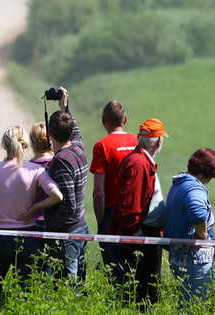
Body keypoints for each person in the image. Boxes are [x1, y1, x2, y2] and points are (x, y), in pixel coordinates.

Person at [0, 125, 63, 304]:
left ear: (4, 146)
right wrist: (35, 207)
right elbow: (57, 195)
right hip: (28, 238)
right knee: (27, 294)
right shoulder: (35, 170)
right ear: (25, 145)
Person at [109, 118, 168, 307]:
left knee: (143, 289)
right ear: (159, 142)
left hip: (143, 234)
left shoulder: (139, 159)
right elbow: (130, 206)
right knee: (144, 293)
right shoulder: (139, 164)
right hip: (141, 237)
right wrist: (137, 235)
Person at [164, 148, 215, 306]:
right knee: (194, 305)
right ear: (209, 173)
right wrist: (202, 235)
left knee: (185, 303)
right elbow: (197, 212)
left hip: (180, 256)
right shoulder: (194, 188)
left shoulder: (180, 183)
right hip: (194, 259)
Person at [43, 87, 89, 286]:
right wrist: (65, 107)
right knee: (79, 284)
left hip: (67, 233)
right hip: (82, 226)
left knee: (68, 290)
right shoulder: (78, 147)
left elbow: (68, 205)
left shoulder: (60, 162)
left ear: (50, 133)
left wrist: (50, 228)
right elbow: (75, 131)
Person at [89, 100, 137, 284]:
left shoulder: (102, 146)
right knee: (134, 265)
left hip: (111, 213)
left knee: (114, 268)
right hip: (135, 213)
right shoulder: (136, 141)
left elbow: (99, 192)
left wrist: (101, 221)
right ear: (125, 119)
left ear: (103, 121)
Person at [29, 121, 54, 230]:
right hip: (53, 220)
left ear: (32, 142)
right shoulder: (55, 163)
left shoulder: (27, 166)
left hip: (31, 222)